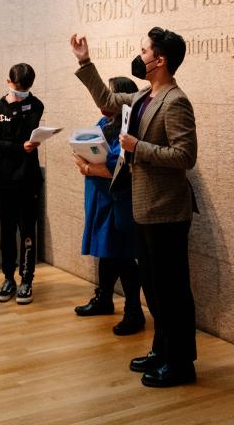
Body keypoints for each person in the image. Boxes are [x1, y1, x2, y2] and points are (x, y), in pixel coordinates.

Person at [71, 29, 199, 388]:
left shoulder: (175, 101)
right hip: (144, 208)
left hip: (167, 211)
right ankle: (161, 350)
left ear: (159, 60)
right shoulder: (145, 95)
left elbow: (185, 156)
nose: (139, 56)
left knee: (172, 291)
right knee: (154, 289)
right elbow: (107, 98)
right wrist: (84, 61)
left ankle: (181, 363)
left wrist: (137, 147)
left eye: (144, 51)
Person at [72, 75, 145, 336]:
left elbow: (117, 165)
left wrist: (89, 167)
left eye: (110, 94)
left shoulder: (131, 127)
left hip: (120, 200)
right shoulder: (106, 121)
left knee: (123, 256)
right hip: (101, 199)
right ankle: (103, 299)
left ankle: (134, 311)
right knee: (106, 251)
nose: (105, 101)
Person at [0, 63, 45, 306]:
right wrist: (18, 147)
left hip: (28, 178)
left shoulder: (36, 105)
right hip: (5, 179)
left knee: (27, 231)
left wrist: (27, 142)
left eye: (26, 88)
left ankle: (26, 279)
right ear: (8, 81)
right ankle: (8, 277)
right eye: (18, 87)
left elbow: (30, 132)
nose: (22, 92)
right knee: (7, 231)